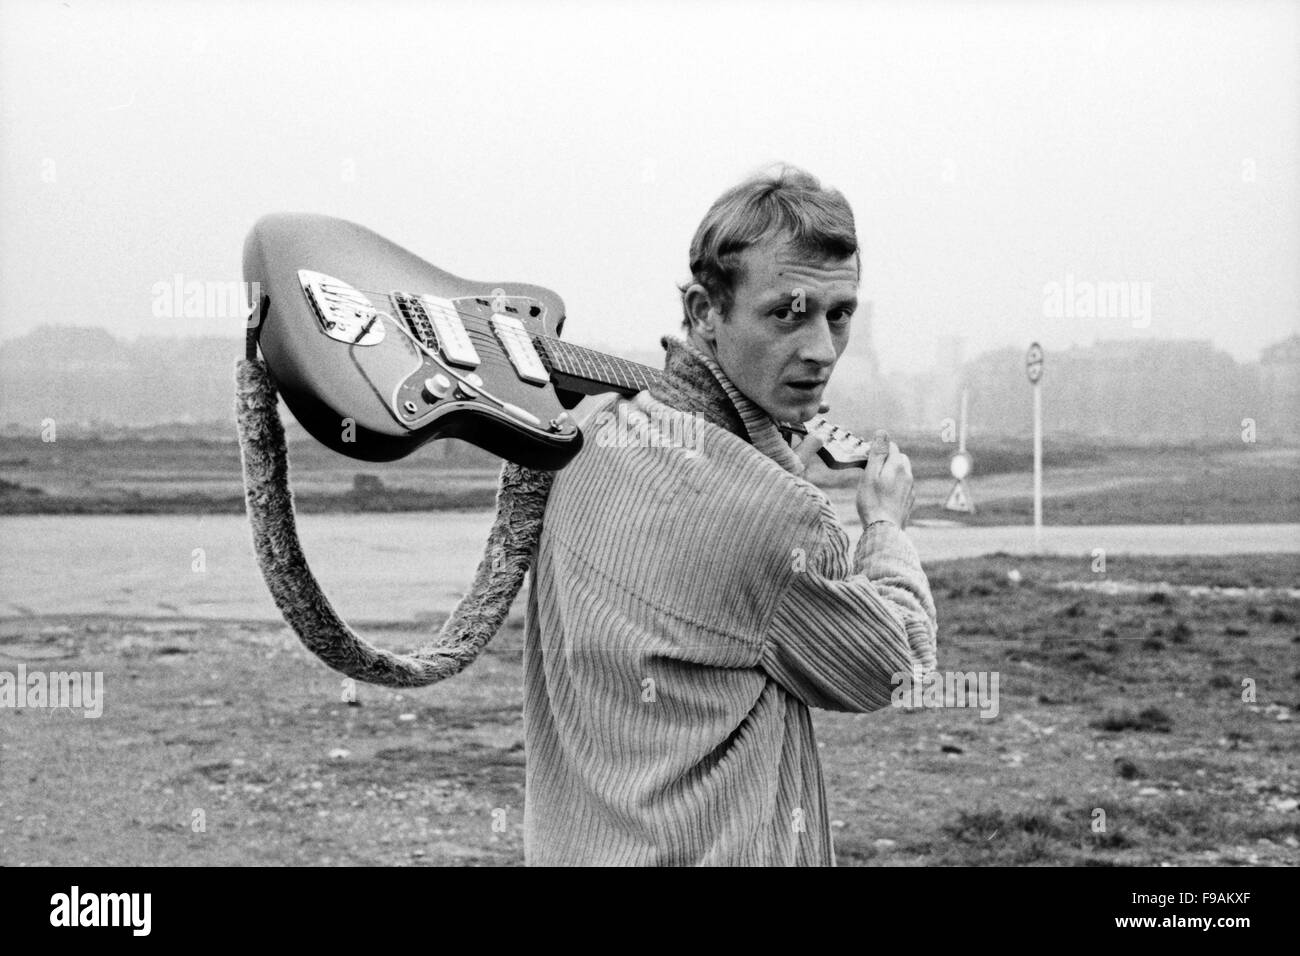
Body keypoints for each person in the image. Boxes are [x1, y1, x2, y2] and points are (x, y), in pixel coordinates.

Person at [522, 165, 938, 866]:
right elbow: (896, 667)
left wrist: (765, 461)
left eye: (839, 315)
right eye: (787, 313)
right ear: (702, 311)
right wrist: (884, 528)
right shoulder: (778, 518)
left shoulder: (594, 432)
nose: (821, 350)